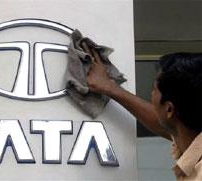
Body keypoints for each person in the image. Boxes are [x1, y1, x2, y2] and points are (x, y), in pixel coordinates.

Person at [82, 44, 202, 181]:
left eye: (155, 89)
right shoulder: (189, 137)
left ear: (169, 109)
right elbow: (162, 122)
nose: (151, 94)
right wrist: (110, 87)